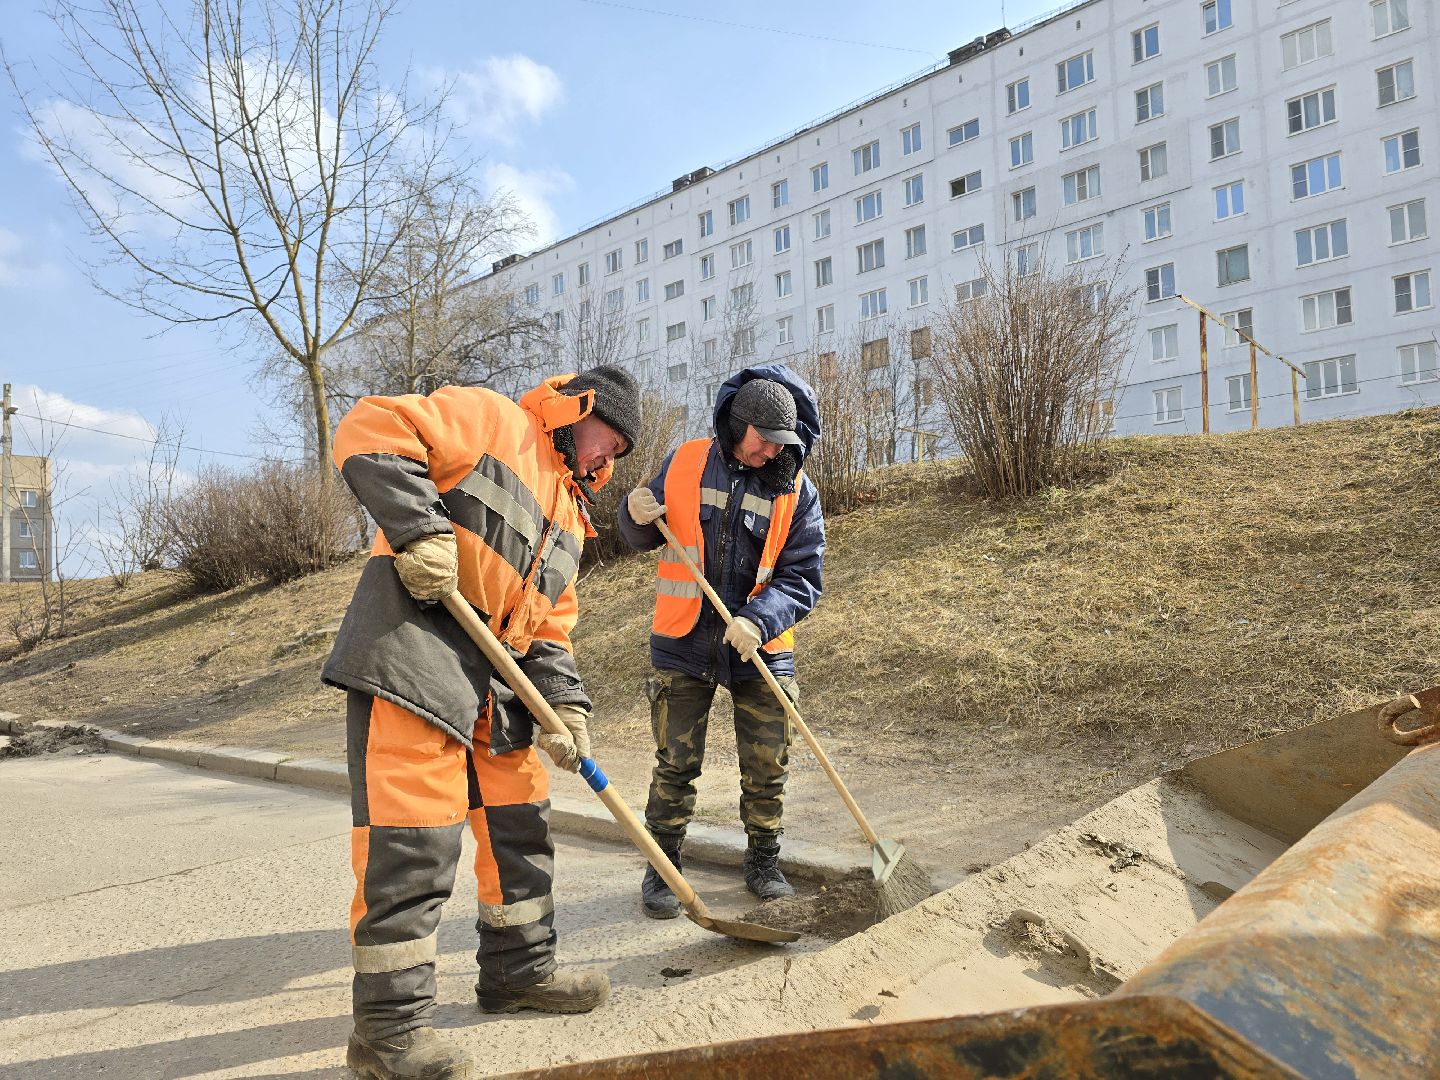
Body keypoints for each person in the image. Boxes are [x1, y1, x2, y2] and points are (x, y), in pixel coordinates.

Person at [322, 366, 641, 1080]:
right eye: (606, 440)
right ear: (575, 408)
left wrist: (568, 709)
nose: (607, 462)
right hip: (416, 657)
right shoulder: (492, 420)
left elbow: (551, 630)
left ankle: (519, 974)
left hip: (500, 692)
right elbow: (371, 426)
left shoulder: (569, 519)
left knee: (521, 830)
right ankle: (387, 1036)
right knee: (414, 849)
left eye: (619, 454)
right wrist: (420, 531)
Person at [618, 363, 823, 919]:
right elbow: (640, 528)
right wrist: (633, 514)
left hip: (763, 649)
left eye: (784, 444)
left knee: (767, 763)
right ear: (739, 423)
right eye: (764, 441)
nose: (773, 453)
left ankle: (763, 861)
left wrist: (759, 618)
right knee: (675, 762)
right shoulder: (685, 462)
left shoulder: (796, 489)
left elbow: (804, 577)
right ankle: (663, 867)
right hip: (684, 642)